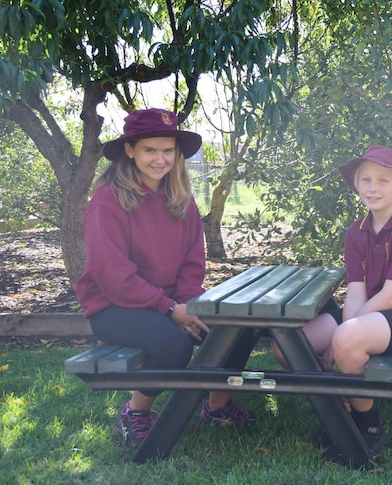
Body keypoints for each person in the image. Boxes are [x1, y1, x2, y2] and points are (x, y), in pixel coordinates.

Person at [76, 108, 258, 448]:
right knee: (173, 344)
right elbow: (112, 275)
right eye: (150, 150)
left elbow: (193, 262)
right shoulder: (107, 201)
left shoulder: (182, 200)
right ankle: (135, 414)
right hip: (113, 306)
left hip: (170, 302)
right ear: (130, 151)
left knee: (237, 329)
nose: (160, 159)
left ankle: (217, 407)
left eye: (168, 151)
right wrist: (169, 309)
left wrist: (187, 303)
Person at [273, 144, 392, 465]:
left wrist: (344, 334)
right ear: (356, 184)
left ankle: (368, 428)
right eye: (365, 179)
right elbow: (356, 292)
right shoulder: (355, 232)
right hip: (374, 312)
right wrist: (343, 330)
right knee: (289, 346)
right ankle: (341, 410)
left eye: (383, 180)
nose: (373, 187)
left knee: (346, 340)